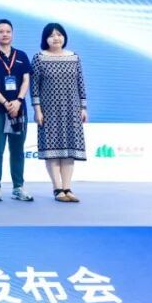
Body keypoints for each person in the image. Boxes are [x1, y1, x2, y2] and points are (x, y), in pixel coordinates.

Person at [31, 23, 88, 203]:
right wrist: (37, 110)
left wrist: (83, 107)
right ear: (45, 39)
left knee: (69, 151)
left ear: (64, 37)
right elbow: (34, 87)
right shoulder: (39, 58)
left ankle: (67, 188)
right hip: (49, 111)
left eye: (59, 34)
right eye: (51, 35)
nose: (56, 38)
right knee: (52, 151)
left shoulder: (74, 57)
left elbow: (80, 83)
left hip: (71, 110)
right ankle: (57, 189)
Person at [0, 18, 34, 202]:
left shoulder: (22, 55)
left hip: (19, 110)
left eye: (8, 31)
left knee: (17, 149)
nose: (5, 34)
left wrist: (18, 101)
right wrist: (5, 102)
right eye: (1, 31)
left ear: (13, 33)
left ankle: (18, 187)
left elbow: (26, 80)